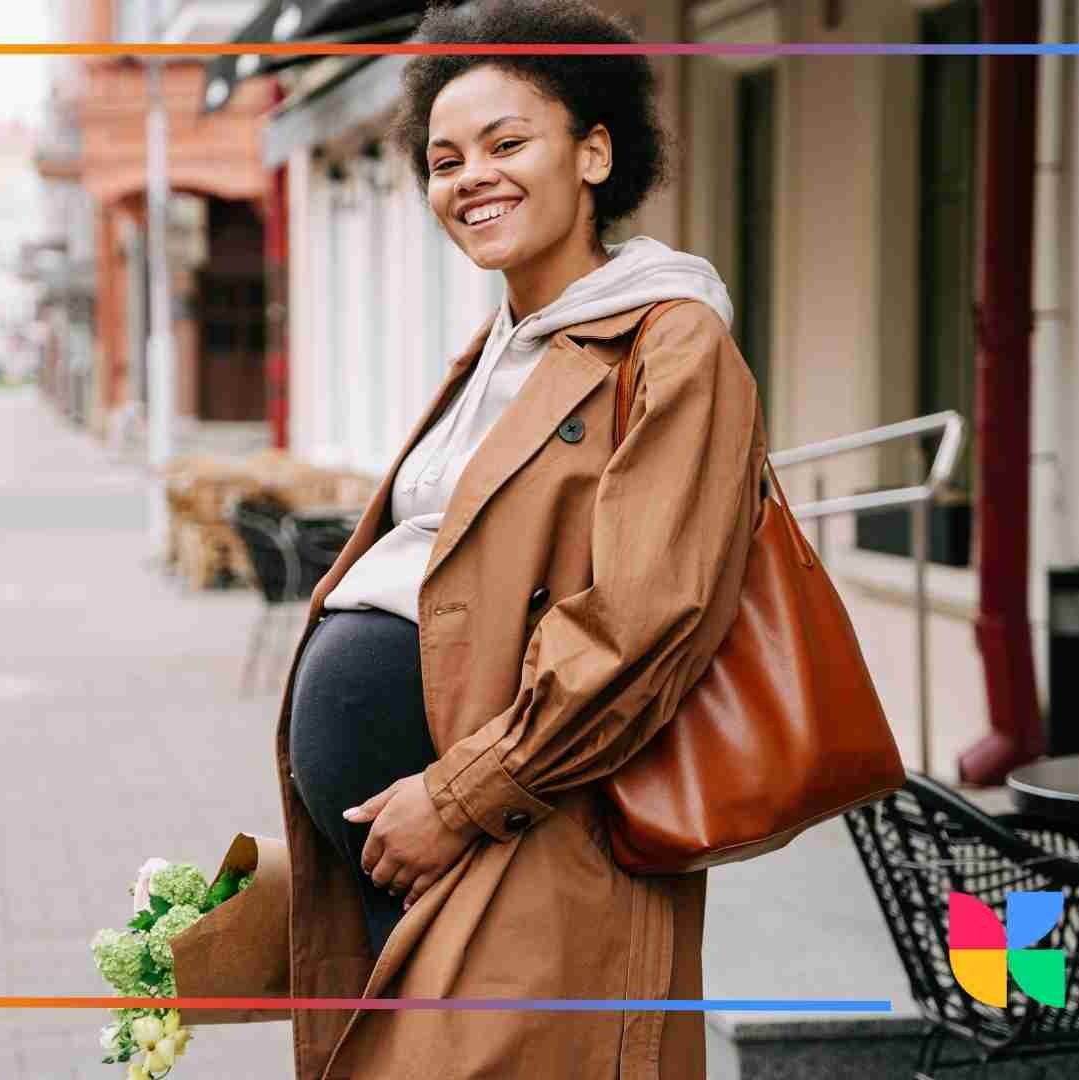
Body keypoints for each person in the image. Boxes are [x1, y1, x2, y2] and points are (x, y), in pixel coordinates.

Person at [275, 2, 765, 1075]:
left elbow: (649, 616)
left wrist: (458, 796)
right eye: (445, 159)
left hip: (527, 825)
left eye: (507, 144)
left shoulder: (671, 339)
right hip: (423, 835)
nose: (471, 178)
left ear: (595, 151)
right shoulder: (502, 349)